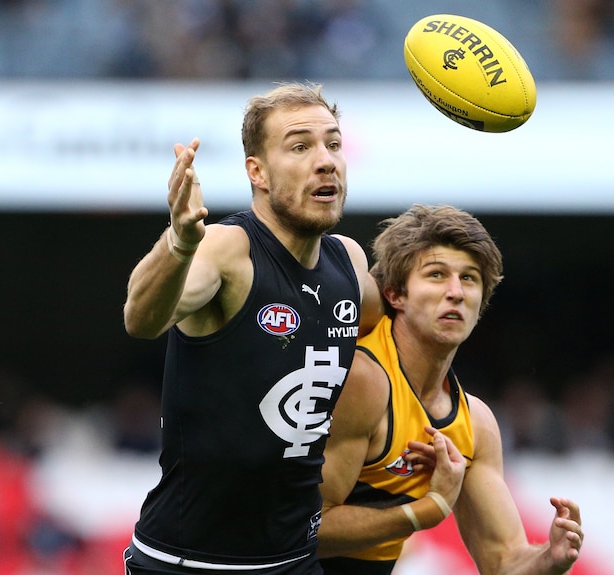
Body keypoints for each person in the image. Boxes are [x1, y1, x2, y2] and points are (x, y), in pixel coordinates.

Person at [121, 82, 381, 575]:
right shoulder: (227, 249)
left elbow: (383, 317)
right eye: (301, 146)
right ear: (256, 171)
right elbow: (141, 317)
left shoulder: (348, 262)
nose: (325, 161)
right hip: (187, 562)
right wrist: (179, 241)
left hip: (294, 561)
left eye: (333, 144)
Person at [317, 204, 584, 575]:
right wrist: (425, 510)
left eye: (470, 278)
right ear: (395, 294)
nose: (456, 292)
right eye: (437, 275)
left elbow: (503, 561)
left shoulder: (475, 424)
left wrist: (548, 559)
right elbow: (302, 530)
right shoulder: (364, 378)